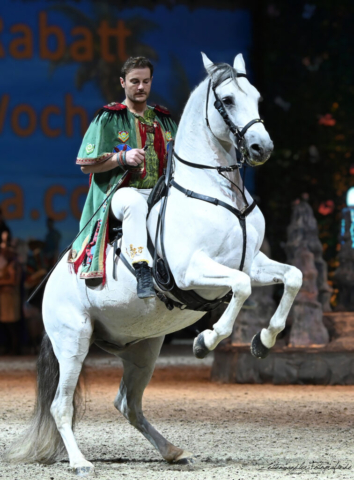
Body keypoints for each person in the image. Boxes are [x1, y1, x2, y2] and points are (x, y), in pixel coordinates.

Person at [68, 56, 177, 298]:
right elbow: (86, 167)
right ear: (122, 82)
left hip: (160, 193)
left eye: (145, 81)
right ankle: (142, 269)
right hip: (120, 195)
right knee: (134, 202)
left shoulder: (164, 118)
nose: (140, 87)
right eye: (134, 81)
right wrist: (121, 158)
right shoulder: (108, 117)